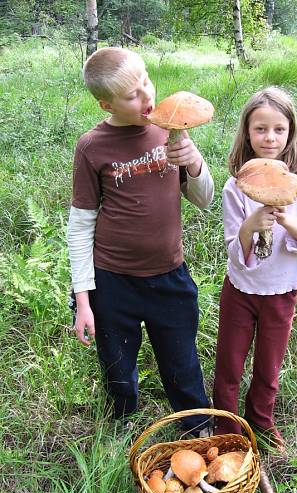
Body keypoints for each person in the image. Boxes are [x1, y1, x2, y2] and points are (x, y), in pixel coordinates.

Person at [67, 47, 213, 436]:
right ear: (106, 102)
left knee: (182, 363)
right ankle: (122, 426)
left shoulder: (169, 127)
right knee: (118, 368)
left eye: (146, 80)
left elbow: (204, 199)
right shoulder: (91, 147)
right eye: (132, 94)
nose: (147, 96)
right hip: (113, 283)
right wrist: (84, 300)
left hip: (169, 277)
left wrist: (194, 162)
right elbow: (80, 226)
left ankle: (197, 428)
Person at [213, 87, 297, 452]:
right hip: (241, 290)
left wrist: (289, 222)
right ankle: (225, 426)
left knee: (269, 366)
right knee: (229, 364)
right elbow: (236, 250)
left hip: (281, 291)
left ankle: (261, 423)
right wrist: (251, 225)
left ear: (291, 131)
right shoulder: (237, 186)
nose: (270, 138)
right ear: (247, 133)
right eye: (260, 129)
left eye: (278, 129)